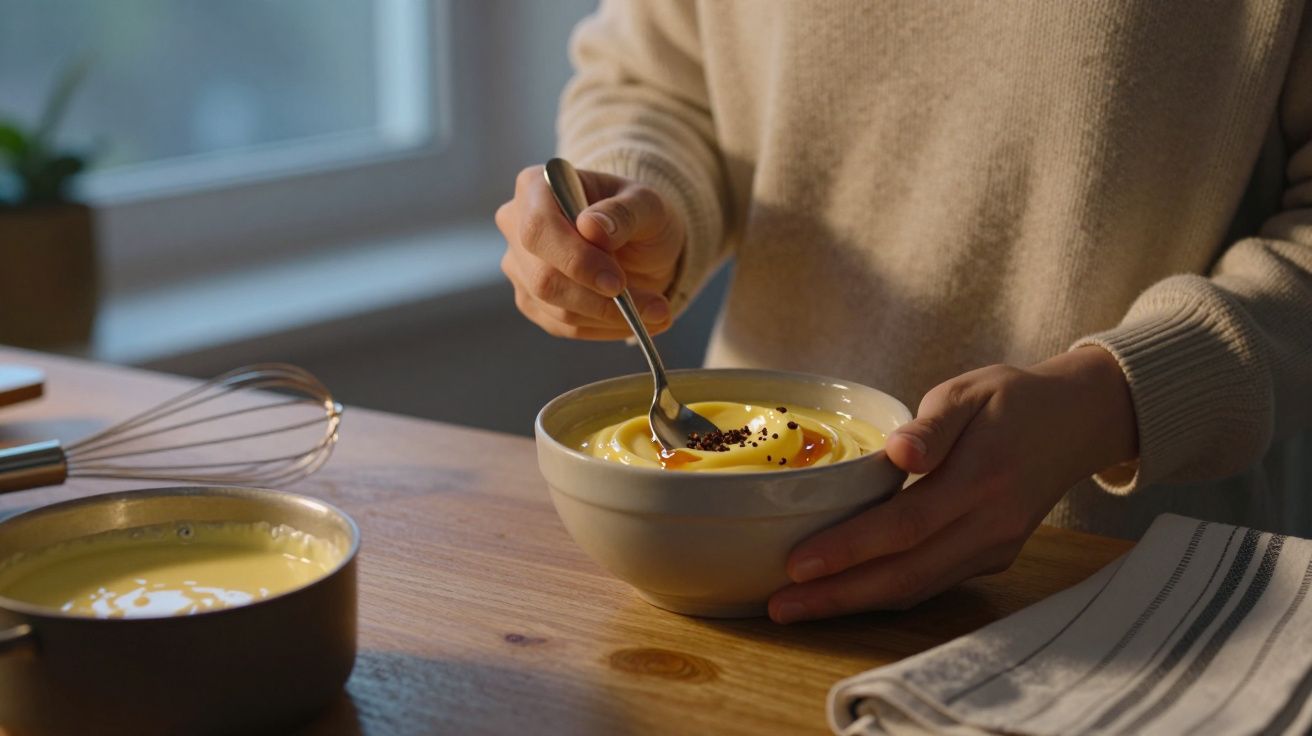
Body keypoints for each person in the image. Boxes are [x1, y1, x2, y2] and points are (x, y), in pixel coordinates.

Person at [495, 2, 1312, 624]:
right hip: (726, 568)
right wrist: (640, 207)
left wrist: (1114, 401)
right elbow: (653, 77)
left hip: (1120, 585)